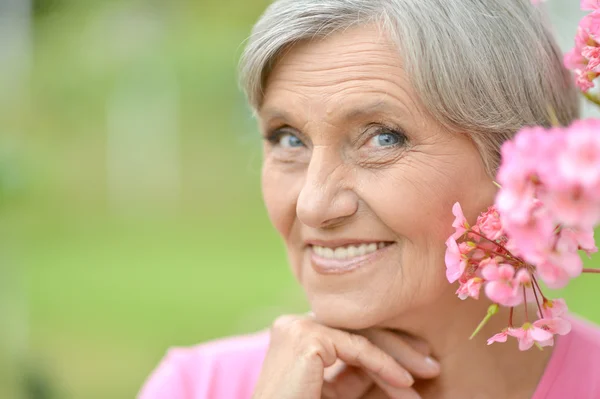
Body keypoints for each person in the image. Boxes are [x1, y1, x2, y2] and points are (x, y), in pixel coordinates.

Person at [138, 0, 600, 398]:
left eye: (382, 138)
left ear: (519, 169)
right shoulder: (196, 387)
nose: (312, 206)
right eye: (288, 139)